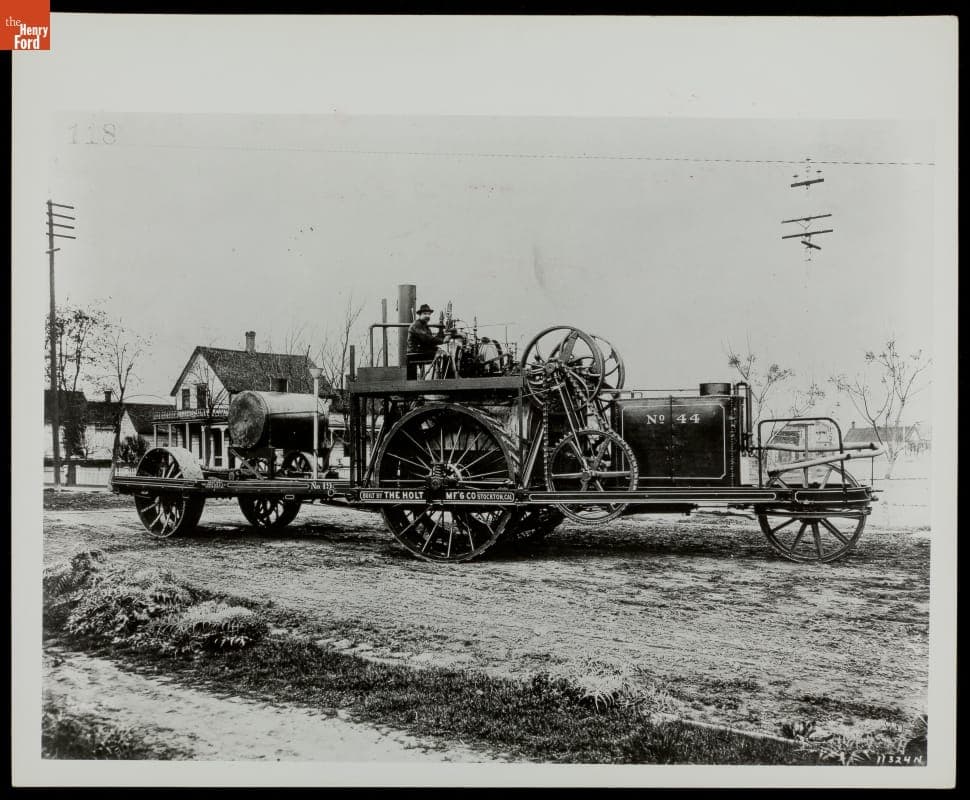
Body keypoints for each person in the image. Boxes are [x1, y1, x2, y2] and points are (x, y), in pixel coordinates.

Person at [406, 303, 446, 378]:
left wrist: (441, 332)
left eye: (429, 314)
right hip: (414, 353)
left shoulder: (425, 326)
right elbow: (427, 339)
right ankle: (447, 379)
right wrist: (443, 341)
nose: (427, 316)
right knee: (443, 355)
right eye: (425, 314)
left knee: (442, 352)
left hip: (420, 351)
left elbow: (430, 340)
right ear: (420, 315)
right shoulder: (416, 325)